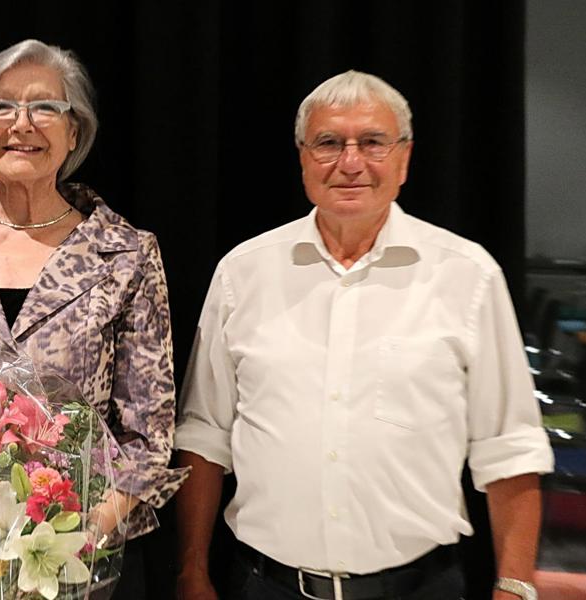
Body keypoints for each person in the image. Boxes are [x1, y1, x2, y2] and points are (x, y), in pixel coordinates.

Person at [174, 70, 553, 600]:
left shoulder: (468, 275)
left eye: (373, 142)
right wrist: (191, 571)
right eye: (329, 143)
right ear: (303, 157)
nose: (350, 163)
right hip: (266, 586)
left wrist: (515, 586)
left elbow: (509, 447)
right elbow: (203, 436)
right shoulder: (243, 273)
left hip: (423, 587)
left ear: (405, 157)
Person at [0, 39, 189, 596]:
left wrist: (71, 535)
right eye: (0, 106)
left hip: (74, 560)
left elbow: (148, 432)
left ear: (75, 132)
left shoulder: (127, 255)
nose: (22, 123)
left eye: (46, 107)